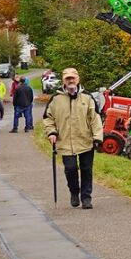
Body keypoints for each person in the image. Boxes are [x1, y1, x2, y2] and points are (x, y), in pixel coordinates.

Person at [43, 68, 103, 209]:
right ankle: (74, 192)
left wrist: (97, 137)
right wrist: (51, 132)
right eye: (67, 78)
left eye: (73, 78)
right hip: (65, 141)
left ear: (78, 79)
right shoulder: (56, 99)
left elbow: (95, 118)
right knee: (70, 169)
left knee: (86, 169)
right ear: (63, 80)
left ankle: (86, 198)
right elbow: (48, 118)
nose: (70, 81)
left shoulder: (87, 98)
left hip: (85, 140)